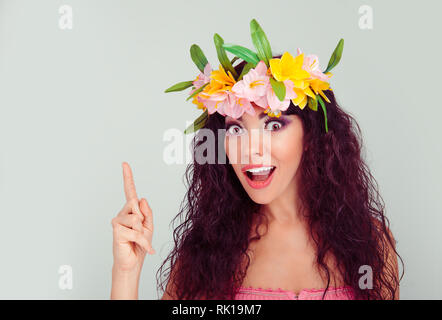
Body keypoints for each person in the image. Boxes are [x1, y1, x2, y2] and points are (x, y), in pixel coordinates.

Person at [111, 19, 403, 300]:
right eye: (236, 129)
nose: (251, 149)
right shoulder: (207, 252)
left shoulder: (368, 242)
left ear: (311, 137)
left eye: (274, 125)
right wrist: (126, 273)